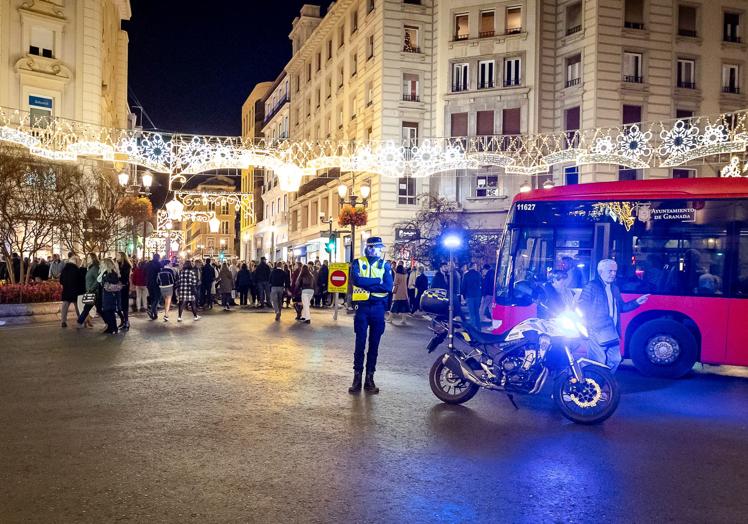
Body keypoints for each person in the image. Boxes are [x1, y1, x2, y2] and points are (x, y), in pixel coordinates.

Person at [578, 259, 649, 374]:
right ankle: (595, 388)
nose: (613, 274)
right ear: (601, 272)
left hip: (611, 331)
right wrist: (588, 326)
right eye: (610, 271)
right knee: (597, 361)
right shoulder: (592, 286)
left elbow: (621, 308)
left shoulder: (614, 288)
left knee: (615, 359)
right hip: (596, 330)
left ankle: (604, 384)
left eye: (615, 271)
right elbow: (581, 306)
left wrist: (637, 302)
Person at [349, 237, 393, 394]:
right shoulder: (357, 262)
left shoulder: (384, 264)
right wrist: (376, 282)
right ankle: (357, 378)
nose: (380, 250)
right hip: (362, 307)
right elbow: (357, 281)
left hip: (378, 308)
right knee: (359, 344)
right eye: (378, 247)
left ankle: (369, 378)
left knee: (374, 345)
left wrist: (367, 284)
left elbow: (388, 287)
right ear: (371, 248)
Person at [76, 253, 100, 328]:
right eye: (87, 257)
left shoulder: (95, 268)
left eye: (89, 257)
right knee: (87, 308)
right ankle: (79, 322)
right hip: (90, 292)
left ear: (93, 258)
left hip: (94, 292)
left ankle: (109, 323)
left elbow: (98, 280)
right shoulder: (90, 268)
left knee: (98, 309)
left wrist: (91, 288)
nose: (87, 259)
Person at [98, 258, 122, 335]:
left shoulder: (106, 273)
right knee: (111, 311)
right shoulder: (114, 272)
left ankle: (111, 328)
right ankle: (114, 328)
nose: (101, 265)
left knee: (107, 311)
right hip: (113, 295)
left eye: (102, 263)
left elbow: (101, 281)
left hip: (107, 295)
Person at [59, 255, 83, 328]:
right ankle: (80, 320)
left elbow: (61, 280)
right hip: (75, 290)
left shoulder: (64, 269)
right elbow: (80, 281)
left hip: (66, 290)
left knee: (65, 306)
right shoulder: (77, 270)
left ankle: (63, 321)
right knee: (78, 306)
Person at [461, 261, 483, 328]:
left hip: (469, 296)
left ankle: (473, 328)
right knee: (477, 312)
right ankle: (479, 327)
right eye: (475, 266)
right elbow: (481, 283)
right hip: (477, 295)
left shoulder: (466, 275)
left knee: (471, 313)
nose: (476, 267)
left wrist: (463, 296)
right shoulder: (478, 274)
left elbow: (463, 286)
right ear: (473, 266)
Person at [117, 252, 132, 331]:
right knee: (118, 305)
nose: (116, 256)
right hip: (118, 286)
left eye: (118, 255)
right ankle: (123, 320)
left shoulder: (126, 265)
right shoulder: (117, 263)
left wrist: (118, 273)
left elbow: (124, 276)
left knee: (124, 304)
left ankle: (126, 321)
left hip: (124, 286)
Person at [146, 253, 162, 320]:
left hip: (149, 283)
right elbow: (160, 272)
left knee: (153, 299)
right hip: (156, 283)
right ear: (158, 258)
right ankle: (152, 310)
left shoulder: (148, 264)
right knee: (157, 298)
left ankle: (155, 315)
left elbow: (145, 272)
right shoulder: (158, 264)